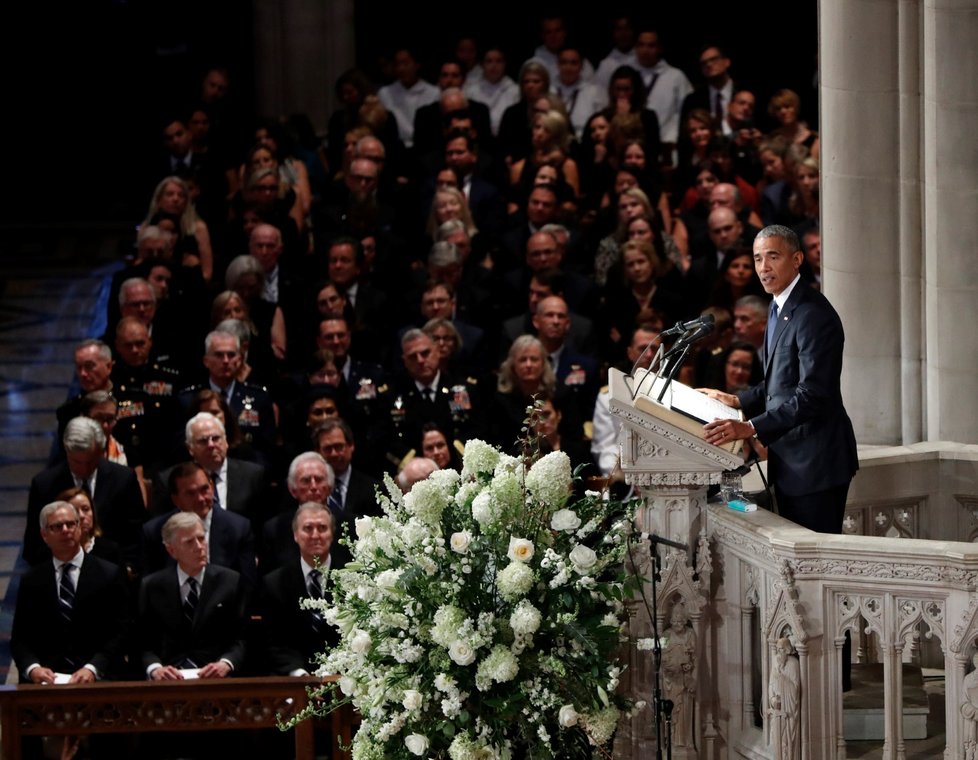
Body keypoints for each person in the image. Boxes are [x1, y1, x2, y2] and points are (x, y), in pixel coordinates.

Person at [702, 225, 858, 535]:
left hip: (815, 464)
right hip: (791, 461)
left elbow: (813, 393)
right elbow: (781, 381)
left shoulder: (813, 314)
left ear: (797, 259)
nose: (763, 267)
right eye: (758, 258)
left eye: (773, 257)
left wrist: (750, 427)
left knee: (812, 563)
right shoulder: (777, 307)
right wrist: (738, 400)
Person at [11, 500, 130, 684]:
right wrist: (33, 668)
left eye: (71, 524)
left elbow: (121, 631)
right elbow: (20, 638)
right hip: (47, 681)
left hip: (99, 678)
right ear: (44, 535)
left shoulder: (109, 574)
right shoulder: (32, 580)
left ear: (80, 528)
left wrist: (92, 668)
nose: (66, 530)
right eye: (57, 526)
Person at [137, 511, 249, 679]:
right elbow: (142, 642)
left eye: (201, 538)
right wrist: (155, 668)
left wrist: (226, 663)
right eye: (190, 542)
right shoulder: (152, 586)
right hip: (169, 679)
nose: (199, 546)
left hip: (217, 679)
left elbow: (242, 638)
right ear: (171, 550)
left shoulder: (230, 581)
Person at [25, 417, 145, 570]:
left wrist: (127, 570)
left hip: (113, 573)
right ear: (66, 451)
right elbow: (34, 543)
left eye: (90, 462)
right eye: (77, 462)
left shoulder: (123, 479)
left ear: (101, 451)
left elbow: (135, 536)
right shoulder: (44, 485)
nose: (84, 469)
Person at [259, 503, 344, 676]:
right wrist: (298, 674)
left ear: (332, 534)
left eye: (322, 528)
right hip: (294, 681)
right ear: (296, 535)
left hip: (344, 679)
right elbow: (276, 642)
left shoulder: (352, 579)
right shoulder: (274, 584)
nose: (315, 535)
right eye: (307, 528)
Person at [142, 462, 257, 588]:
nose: (200, 498)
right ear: (176, 500)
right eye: (191, 493)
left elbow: (247, 587)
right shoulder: (155, 532)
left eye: (204, 489)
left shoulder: (238, 528)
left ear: (212, 487)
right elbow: (151, 587)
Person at [662, 602, 697, 748]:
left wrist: (689, 665)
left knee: (684, 711)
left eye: (680, 621)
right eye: (674, 621)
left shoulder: (690, 634)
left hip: (685, 679)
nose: (677, 624)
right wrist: (670, 664)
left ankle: (685, 742)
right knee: (671, 710)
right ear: (670, 621)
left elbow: (695, 656)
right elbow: (661, 657)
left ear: (684, 620)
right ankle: (670, 741)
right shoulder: (666, 635)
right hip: (670, 680)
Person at [768, 637, 801, 759]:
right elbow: (771, 684)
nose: (779, 652)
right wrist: (772, 699)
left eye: (781, 649)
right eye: (777, 649)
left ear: (787, 650)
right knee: (775, 738)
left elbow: (795, 688)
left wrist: (781, 678)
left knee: (786, 741)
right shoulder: (775, 662)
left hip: (788, 709)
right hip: (777, 708)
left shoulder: (793, 664)